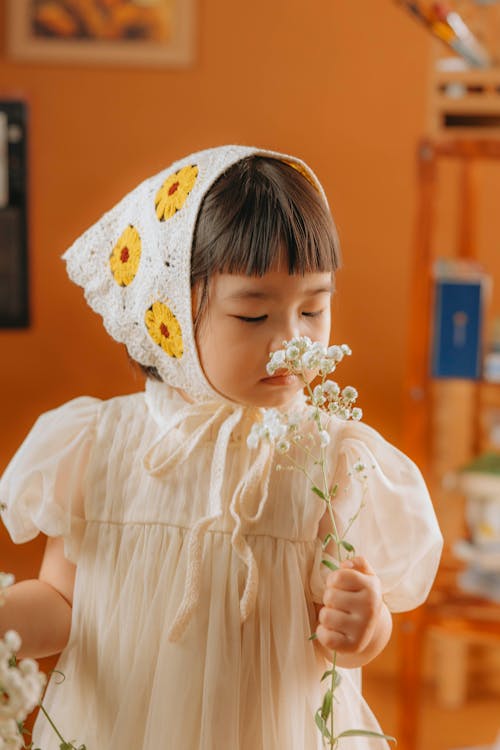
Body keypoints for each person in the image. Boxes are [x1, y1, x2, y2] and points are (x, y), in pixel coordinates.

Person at [0, 145, 442, 750]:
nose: (292, 340)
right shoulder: (102, 445)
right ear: (174, 317)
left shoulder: (330, 456)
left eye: (314, 307)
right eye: (253, 316)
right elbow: (59, 602)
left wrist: (366, 625)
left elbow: (340, 630)